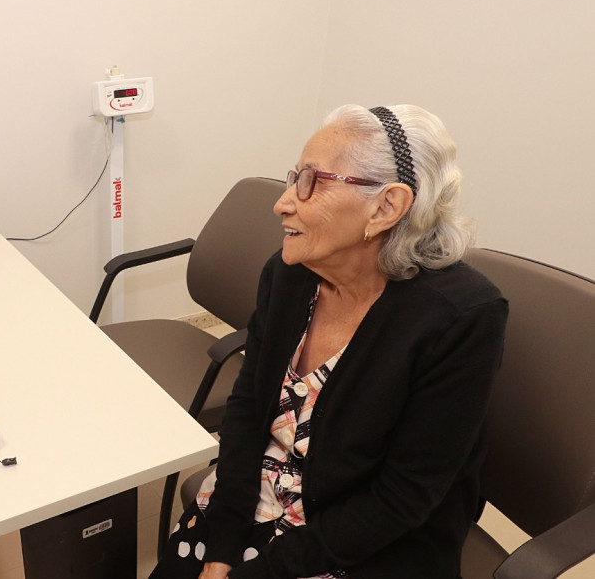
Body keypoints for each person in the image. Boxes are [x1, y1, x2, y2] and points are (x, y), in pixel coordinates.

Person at [150, 105, 508, 578]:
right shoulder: (290, 273)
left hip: (363, 540)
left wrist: (255, 573)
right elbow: (248, 409)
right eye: (294, 177)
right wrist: (222, 545)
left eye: (312, 182)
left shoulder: (460, 319)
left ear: (386, 206)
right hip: (261, 495)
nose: (283, 203)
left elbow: (400, 500)